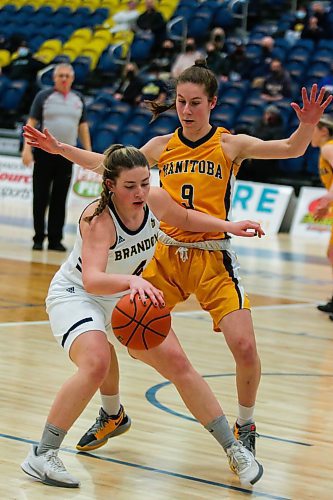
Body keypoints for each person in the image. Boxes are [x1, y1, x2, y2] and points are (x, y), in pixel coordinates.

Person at [23, 61, 332, 486]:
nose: (186, 110)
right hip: (154, 264)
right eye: (180, 102)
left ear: (212, 104)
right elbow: (105, 163)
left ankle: (240, 435)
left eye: (195, 103)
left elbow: (288, 151)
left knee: (223, 348)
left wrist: (305, 129)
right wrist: (60, 149)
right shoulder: (137, 172)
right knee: (113, 351)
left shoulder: (219, 150)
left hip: (207, 256)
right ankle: (85, 427)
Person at [20, 143, 265, 488]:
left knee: (179, 364)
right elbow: (92, 278)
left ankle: (234, 448)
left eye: (144, 184)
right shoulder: (97, 219)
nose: (140, 193)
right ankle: (42, 454)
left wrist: (229, 225)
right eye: (130, 186)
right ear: (110, 185)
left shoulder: (153, 199)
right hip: (78, 295)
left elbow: (184, 218)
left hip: (124, 295)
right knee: (96, 362)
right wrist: (133, 280)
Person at [21, 63, 91, 252]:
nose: (64, 79)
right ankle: (38, 237)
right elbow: (31, 123)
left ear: (73, 78)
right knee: (40, 196)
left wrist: (88, 152)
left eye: (67, 76)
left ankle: (55, 239)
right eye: (60, 75)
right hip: (43, 154)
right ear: (54, 78)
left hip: (66, 155)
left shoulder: (78, 99)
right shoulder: (43, 97)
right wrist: (26, 150)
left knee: (60, 199)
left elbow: (82, 127)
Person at [311, 115, 333, 319]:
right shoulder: (324, 149)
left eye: (314, 130)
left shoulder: (329, 147)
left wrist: (327, 199)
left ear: (324, 131)